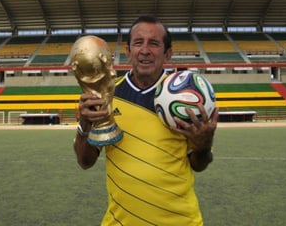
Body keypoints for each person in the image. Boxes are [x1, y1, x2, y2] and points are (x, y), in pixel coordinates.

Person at [73, 15, 219, 226]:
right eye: (138, 42)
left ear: (168, 53)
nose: (145, 50)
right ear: (128, 51)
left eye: (154, 43)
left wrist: (204, 147)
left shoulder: (185, 99)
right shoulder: (106, 95)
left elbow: (199, 165)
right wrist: (84, 126)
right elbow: (85, 162)